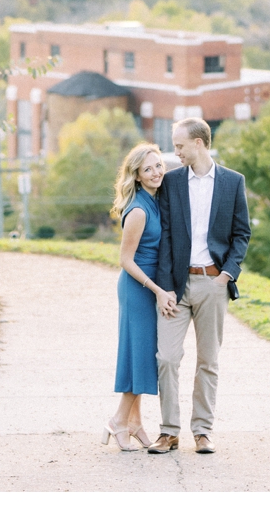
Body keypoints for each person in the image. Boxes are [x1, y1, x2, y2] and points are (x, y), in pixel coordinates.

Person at [148, 117, 251, 455]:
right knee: (166, 357)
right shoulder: (172, 183)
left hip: (213, 283)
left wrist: (227, 274)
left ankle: (203, 431)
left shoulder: (233, 183)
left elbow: (241, 234)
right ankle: (168, 431)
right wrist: (165, 287)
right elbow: (164, 237)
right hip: (176, 286)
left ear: (199, 143)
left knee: (208, 361)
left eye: (179, 146)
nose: (174, 152)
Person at [103, 143, 174, 451]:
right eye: (148, 169)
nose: (156, 172)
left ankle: (135, 424)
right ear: (137, 175)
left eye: (159, 165)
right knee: (141, 357)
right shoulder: (138, 210)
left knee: (139, 356)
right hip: (138, 289)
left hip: (147, 288)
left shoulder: (155, 200)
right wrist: (157, 290)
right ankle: (118, 420)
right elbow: (125, 260)